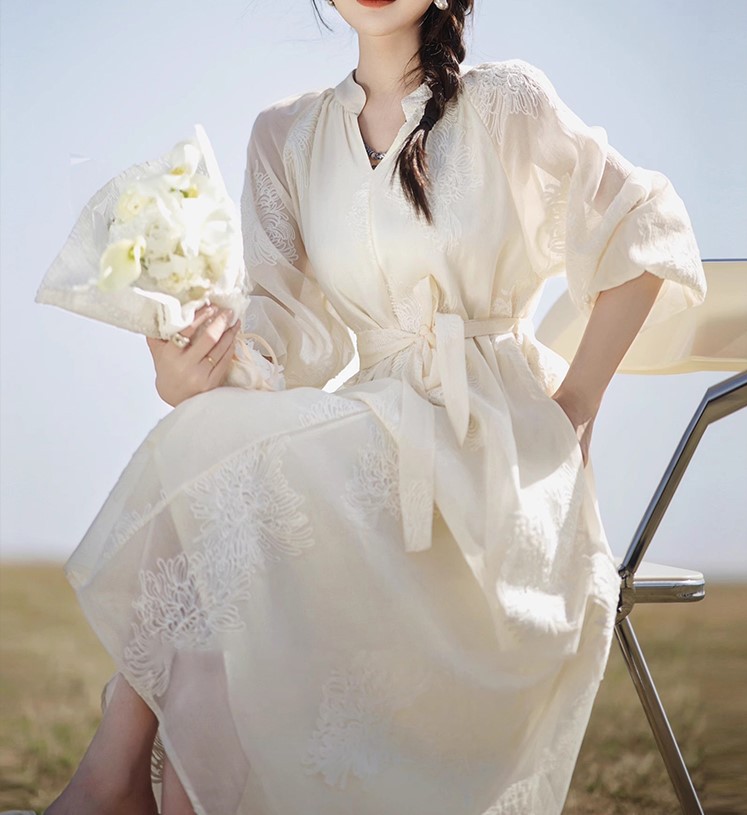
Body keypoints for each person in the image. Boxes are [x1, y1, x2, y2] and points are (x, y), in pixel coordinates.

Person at [42, 0, 707, 813]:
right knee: (215, 485)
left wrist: (574, 406)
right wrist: (191, 366)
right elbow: (283, 344)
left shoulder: (507, 102)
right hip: (379, 440)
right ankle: (135, 785)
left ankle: (112, 779)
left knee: (221, 482)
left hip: (499, 459)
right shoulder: (286, 137)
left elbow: (648, 225)